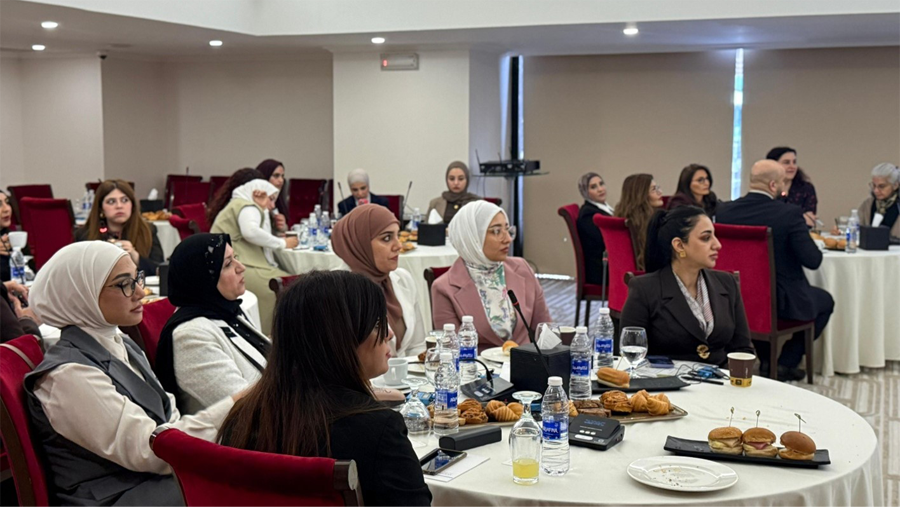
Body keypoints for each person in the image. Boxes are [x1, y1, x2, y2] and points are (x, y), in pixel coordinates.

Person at [24, 242, 238, 507]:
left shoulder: (118, 340)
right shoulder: (68, 375)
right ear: (81, 294)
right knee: (241, 483)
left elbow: (167, 410)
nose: (140, 292)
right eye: (123, 284)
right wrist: (234, 407)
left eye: (137, 279)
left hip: (147, 478)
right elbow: (147, 450)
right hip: (116, 496)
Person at [218, 270, 432, 507]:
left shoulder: (244, 418)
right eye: (377, 324)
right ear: (340, 339)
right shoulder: (377, 429)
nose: (389, 333)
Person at [717, 160, 834, 381]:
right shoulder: (788, 214)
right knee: (825, 301)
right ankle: (785, 362)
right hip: (780, 300)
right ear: (773, 185)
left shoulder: (724, 211)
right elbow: (813, 260)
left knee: (757, 303)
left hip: (732, 297)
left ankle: (767, 360)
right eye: (783, 182)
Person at [620, 207, 755, 366]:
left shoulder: (727, 283)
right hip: (665, 379)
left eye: (715, 236)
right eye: (706, 238)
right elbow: (630, 355)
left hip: (720, 378)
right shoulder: (645, 289)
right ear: (679, 245)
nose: (717, 245)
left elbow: (743, 350)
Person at [156, 234, 270, 414]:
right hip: (247, 427)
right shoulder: (191, 336)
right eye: (228, 264)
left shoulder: (226, 309)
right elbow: (245, 409)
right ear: (202, 278)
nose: (241, 268)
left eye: (235, 258)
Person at [431, 201, 551, 351]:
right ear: (472, 237)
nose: (508, 239)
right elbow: (451, 351)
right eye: (496, 231)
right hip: (478, 365)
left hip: (527, 361)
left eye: (507, 230)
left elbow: (545, 329)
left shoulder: (522, 269)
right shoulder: (444, 288)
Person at [332, 204, 426, 358]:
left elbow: (417, 346)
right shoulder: (336, 291)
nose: (398, 246)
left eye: (398, 235)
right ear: (360, 243)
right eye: (387, 238)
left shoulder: (403, 279)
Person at [211, 179, 298, 334]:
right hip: (239, 265)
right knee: (286, 287)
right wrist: (283, 243)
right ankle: (272, 334)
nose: (272, 205)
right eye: (271, 199)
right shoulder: (248, 207)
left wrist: (263, 207)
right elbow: (250, 232)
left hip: (233, 263)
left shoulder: (243, 204)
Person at [75, 180, 164, 274]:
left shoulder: (148, 230)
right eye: (111, 201)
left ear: (132, 205)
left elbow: (160, 271)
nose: (119, 206)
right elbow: (77, 272)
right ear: (101, 208)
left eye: (125, 200)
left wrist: (136, 257)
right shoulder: (84, 234)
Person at [614, 173, 665, 271]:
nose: (660, 192)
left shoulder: (622, 219)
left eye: (658, 187)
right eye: (654, 189)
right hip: (649, 275)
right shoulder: (642, 224)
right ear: (641, 195)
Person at [576, 172, 614, 285]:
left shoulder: (603, 207)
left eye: (601, 184)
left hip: (608, 262)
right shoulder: (588, 214)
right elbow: (605, 240)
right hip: (601, 270)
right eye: (593, 187)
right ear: (585, 192)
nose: (600, 189)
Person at [767, 147, 818, 228]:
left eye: (794, 162)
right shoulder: (765, 188)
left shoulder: (806, 188)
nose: (792, 166)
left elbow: (809, 221)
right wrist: (798, 217)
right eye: (786, 162)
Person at [853, 163, 901, 241]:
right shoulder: (867, 204)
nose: (876, 190)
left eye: (881, 186)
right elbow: (855, 229)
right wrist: (841, 231)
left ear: (895, 185)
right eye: (874, 185)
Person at [255, 159, 288, 233]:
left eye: (282, 176)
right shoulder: (252, 200)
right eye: (276, 176)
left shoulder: (279, 200)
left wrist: (283, 227)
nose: (281, 180)